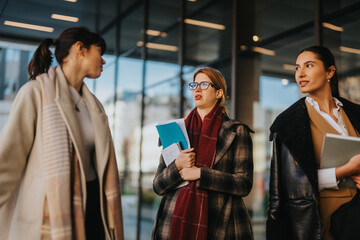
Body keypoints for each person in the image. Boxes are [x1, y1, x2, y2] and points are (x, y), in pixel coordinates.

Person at [0, 27, 124, 240]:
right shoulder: (34, 93)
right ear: (80, 49)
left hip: (94, 206)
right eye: (99, 52)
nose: (103, 61)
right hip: (52, 208)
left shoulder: (94, 106)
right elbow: (8, 162)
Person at [267, 45, 360, 240]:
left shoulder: (355, 113)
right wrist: (344, 171)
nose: (300, 73)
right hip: (316, 221)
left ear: (330, 72)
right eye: (297, 68)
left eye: (308, 66)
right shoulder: (287, 124)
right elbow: (285, 190)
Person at [152, 67, 254, 240]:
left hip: (222, 224)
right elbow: (158, 186)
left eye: (204, 84)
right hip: (174, 223)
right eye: (194, 85)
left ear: (219, 93)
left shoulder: (236, 131)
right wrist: (177, 166)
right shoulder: (175, 130)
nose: (197, 89)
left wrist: (200, 174)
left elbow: (243, 184)